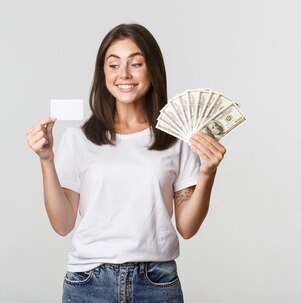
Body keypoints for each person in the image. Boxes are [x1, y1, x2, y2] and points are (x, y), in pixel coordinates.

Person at [25, 23, 226, 303]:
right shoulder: (78, 138)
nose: (124, 74)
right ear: (102, 73)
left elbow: (188, 228)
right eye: (113, 65)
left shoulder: (177, 140)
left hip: (157, 282)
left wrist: (208, 172)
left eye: (136, 63)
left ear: (152, 69)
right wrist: (46, 160)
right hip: (88, 282)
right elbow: (62, 224)